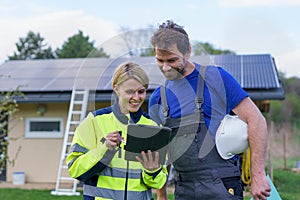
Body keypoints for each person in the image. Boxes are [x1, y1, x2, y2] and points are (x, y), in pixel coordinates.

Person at [148, 20, 271, 200]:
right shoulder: (159, 98)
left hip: (221, 184)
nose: (166, 67)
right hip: (184, 187)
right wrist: (161, 193)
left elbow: (257, 121)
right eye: (160, 60)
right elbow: (163, 150)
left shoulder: (216, 78)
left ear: (188, 51)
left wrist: (258, 174)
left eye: (172, 60)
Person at [66, 62, 168, 200]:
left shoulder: (154, 127)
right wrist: (104, 149)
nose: (136, 98)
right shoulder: (94, 121)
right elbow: (75, 169)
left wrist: (152, 170)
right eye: (130, 92)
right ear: (116, 88)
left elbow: (159, 182)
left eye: (141, 91)